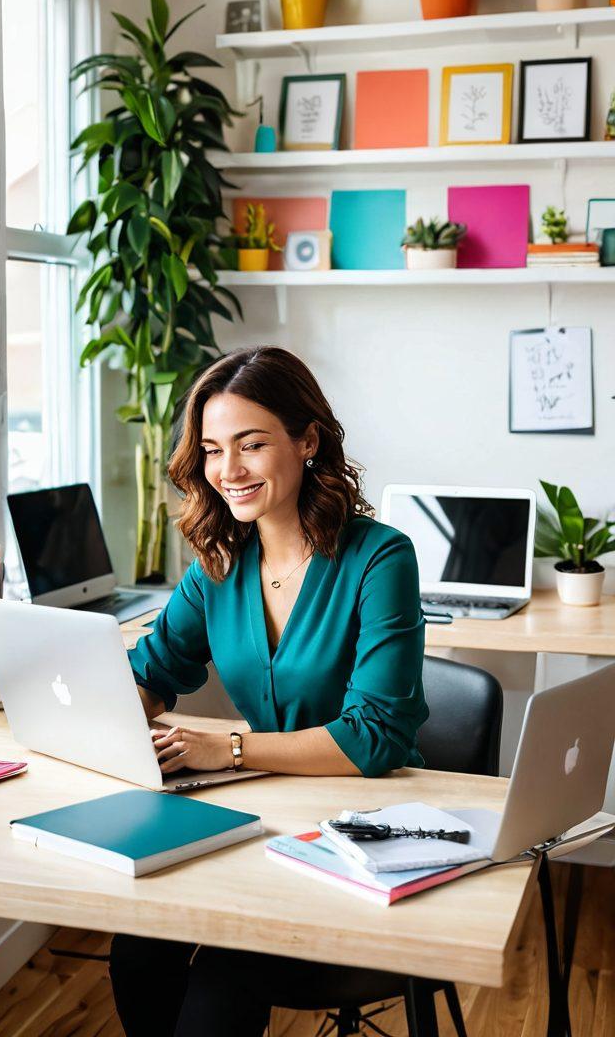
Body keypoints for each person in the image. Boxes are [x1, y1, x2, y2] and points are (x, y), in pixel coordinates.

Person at [110, 345, 428, 1036]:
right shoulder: (220, 563)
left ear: (307, 441)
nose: (228, 470)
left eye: (250, 445)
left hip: (363, 834)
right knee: (137, 949)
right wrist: (96, 712)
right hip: (264, 817)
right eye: (213, 450)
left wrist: (227, 748)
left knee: (222, 982)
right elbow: (153, 673)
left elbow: (375, 737)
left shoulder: (381, 557)